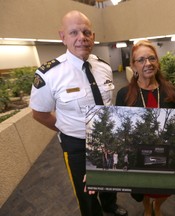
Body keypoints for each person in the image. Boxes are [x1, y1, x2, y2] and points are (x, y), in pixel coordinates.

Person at [29, 10, 127, 216]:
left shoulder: (104, 67)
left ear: (93, 36)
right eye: (74, 32)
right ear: (62, 37)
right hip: (76, 145)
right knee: (86, 192)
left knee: (110, 177)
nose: (81, 38)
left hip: (107, 137)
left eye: (86, 32)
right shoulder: (49, 74)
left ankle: (110, 205)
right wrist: (66, 128)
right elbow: (39, 113)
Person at [116, 40, 175, 216]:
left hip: (163, 151)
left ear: (157, 62)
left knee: (163, 189)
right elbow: (121, 127)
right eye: (141, 60)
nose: (148, 64)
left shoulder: (170, 92)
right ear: (133, 66)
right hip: (138, 152)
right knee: (142, 187)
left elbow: (173, 124)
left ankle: (157, 207)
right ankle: (146, 208)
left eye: (152, 58)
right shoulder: (124, 94)